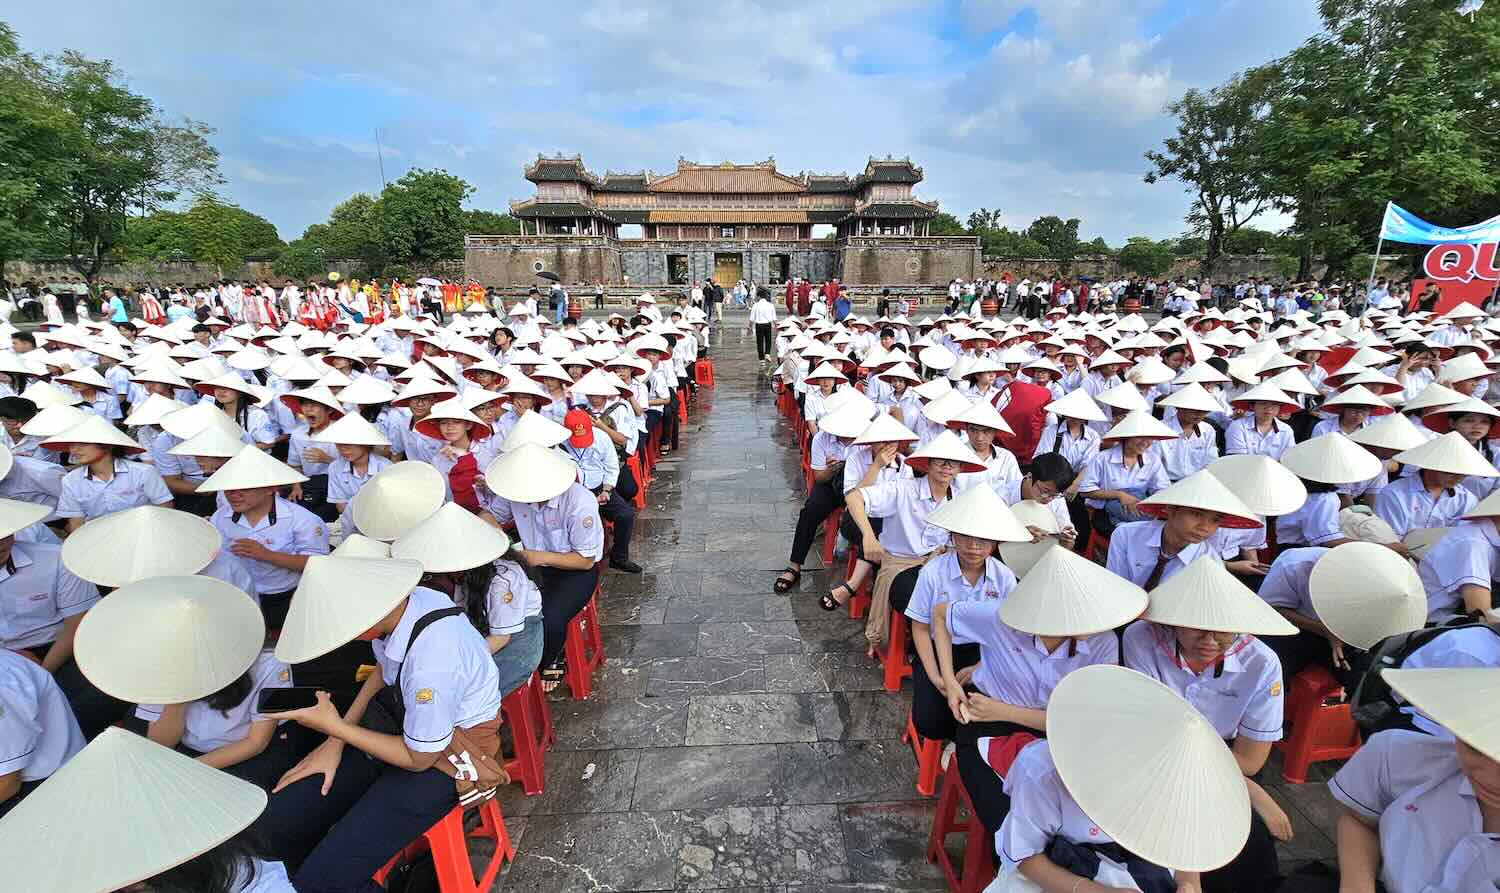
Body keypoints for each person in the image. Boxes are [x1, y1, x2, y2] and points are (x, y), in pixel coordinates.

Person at [252, 556, 503, 892]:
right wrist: (334, 743)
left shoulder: (432, 662)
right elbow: (383, 672)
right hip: (402, 728)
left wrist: (336, 728)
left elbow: (420, 759)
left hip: (446, 760)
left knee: (323, 883)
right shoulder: (411, 606)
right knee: (275, 826)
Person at [932, 546, 1140, 835]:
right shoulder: (1001, 619)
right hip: (988, 721)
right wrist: (950, 681)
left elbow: (1083, 720)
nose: (1092, 619)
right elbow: (941, 615)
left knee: (1083, 821)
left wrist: (1007, 711)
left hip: (1060, 730)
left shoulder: (1102, 643)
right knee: (1011, 824)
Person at [1123, 556, 1297, 892]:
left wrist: (1247, 784)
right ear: (1171, 621)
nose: (1210, 639)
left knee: (1250, 853)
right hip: (1153, 755)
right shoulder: (1140, 640)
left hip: (1229, 762)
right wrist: (1256, 794)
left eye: (1223, 628)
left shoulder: (1262, 663)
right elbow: (1148, 735)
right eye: (1195, 625)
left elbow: (1249, 760)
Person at [1325, 668, 1500, 893]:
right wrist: (1357, 885)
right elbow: (1359, 820)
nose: (1490, 777)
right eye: (1475, 746)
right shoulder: (1397, 756)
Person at [903, 485, 1026, 742]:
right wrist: (938, 677)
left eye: (983, 540)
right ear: (952, 537)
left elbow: (1010, 631)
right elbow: (921, 628)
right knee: (931, 723)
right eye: (965, 538)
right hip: (938, 648)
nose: (973, 547)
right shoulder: (933, 573)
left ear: (994, 542)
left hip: (985, 651)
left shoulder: (1003, 577)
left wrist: (981, 666)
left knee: (990, 712)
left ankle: (963, 748)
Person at [479, 443, 602, 692]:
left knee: (551, 617)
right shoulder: (516, 493)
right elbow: (487, 515)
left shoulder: (579, 502)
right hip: (531, 564)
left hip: (575, 570)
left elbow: (585, 559)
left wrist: (537, 556)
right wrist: (499, 540)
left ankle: (553, 657)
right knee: (501, 608)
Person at [198, 445, 330, 632]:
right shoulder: (221, 517)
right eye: (229, 489)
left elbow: (319, 564)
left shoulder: (303, 520)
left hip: (285, 596)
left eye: (244, 489)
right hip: (239, 595)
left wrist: (267, 555)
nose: (234, 495)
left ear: (270, 488)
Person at [1106, 470, 1260, 589]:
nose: (1205, 527)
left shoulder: (1209, 561)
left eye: (1215, 520)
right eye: (1196, 514)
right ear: (1170, 509)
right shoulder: (1127, 535)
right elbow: (1115, 586)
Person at [46, 415, 172, 532]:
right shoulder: (71, 480)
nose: (74, 450)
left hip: (144, 533)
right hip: (98, 538)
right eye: (71, 445)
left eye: (83, 444)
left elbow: (165, 512)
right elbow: (77, 524)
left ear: (107, 446)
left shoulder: (143, 473)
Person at [749, 288, 777, 363]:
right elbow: (774, 318)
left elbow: (752, 318)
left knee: (760, 342)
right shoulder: (770, 305)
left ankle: (761, 359)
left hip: (759, 325)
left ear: (759, 297)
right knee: (768, 340)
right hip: (768, 325)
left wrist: (750, 327)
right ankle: (767, 354)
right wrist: (776, 326)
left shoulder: (755, 305)